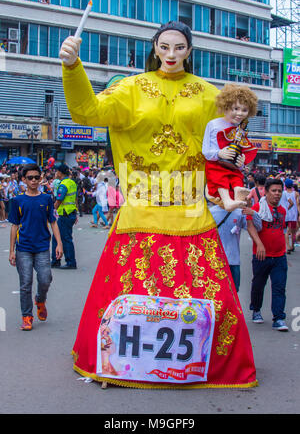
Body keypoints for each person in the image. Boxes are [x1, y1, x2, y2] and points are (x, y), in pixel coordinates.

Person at [60, 21, 257, 389]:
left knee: (211, 302)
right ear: (154, 47)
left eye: (179, 48)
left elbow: (230, 138)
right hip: (139, 209)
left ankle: (202, 366)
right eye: (164, 47)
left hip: (190, 211)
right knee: (124, 298)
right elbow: (86, 111)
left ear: (189, 51)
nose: (171, 55)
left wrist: (228, 185)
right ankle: (116, 362)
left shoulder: (206, 94)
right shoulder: (130, 88)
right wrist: (72, 68)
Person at [8, 164, 63, 331]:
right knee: (25, 283)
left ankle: (40, 300)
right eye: (30, 178)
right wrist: (11, 250)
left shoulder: (46, 199)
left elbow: (53, 221)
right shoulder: (17, 200)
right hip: (23, 248)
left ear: (41, 179)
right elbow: (14, 226)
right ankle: (26, 316)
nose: (33, 180)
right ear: (23, 180)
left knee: (46, 278)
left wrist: (59, 243)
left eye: (36, 177)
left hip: (42, 247)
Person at [202, 84, 258, 212]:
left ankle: (238, 191)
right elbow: (206, 150)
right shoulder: (213, 124)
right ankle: (227, 201)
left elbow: (242, 150)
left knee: (236, 177)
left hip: (232, 167)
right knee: (220, 177)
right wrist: (219, 153)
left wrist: (241, 163)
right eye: (236, 108)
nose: (240, 113)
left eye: (244, 110)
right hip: (215, 165)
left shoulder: (241, 130)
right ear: (226, 106)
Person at [247, 179, 288, 331]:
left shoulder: (282, 211)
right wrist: (259, 244)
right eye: (274, 190)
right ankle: (256, 310)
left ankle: (278, 318)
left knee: (279, 287)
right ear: (266, 191)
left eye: (279, 191)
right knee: (258, 285)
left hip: (279, 256)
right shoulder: (258, 208)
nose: (277, 194)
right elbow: (250, 226)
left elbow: (280, 230)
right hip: (261, 255)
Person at [210, 205, 262, 293]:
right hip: (215, 262)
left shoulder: (239, 212)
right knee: (216, 293)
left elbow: (258, 228)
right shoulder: (211, 212)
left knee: (233, 293)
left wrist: (253, 214)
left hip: (233, 261)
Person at [51, 164, 78, 270]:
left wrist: (50, 212)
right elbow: (75, 199)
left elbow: (59, 201)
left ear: (60, 173)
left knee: (62, 238)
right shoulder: (72, 183)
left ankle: (65, 261)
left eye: (56, 171)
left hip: (65, 215)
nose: (55, 173)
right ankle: (59, 260)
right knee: (64, 238)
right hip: (70, 213)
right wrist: (76, 213)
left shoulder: (63, 185)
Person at [282, 178, 299, 254]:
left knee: (286, 231)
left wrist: (286, 209)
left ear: (285, 185)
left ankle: (287, 246)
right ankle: (292, 246)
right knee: (293, 232)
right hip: (293, 215)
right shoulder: (296, 193)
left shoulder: (283, 193)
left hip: (285, 215)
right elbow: (298, 205)